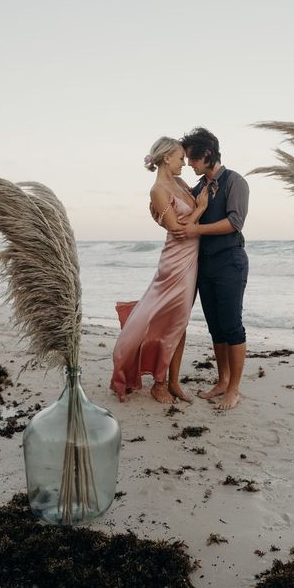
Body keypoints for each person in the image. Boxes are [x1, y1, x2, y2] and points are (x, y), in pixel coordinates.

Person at [110, 137, 208, 404]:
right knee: (168, 319)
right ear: (167, 158)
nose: (184, 164)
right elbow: (176, 228)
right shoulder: (158, 189)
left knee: (178, 321)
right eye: (179, 159)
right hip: (175, 262)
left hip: (191, 258)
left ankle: (169, 381)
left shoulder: (179, 183)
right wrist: (200, 209)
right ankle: (159, 383)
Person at [173, 127, 249, 410]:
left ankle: (234, 389)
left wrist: (195, 230)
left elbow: (234, 222)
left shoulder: (235, 182)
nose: (189, 163)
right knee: (215, 328)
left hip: (230, 261)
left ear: (206, 154)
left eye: (191, 158)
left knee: (232, 326)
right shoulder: (198, 187)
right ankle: (221, 381)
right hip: (204, 265)